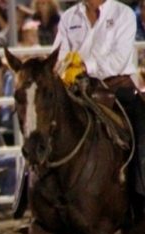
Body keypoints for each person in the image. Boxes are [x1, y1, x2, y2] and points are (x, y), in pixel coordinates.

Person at [51, 0, 145, 197]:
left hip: (116, 88)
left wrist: (85, 65)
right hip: (76, 89)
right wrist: (66, 67)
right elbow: (59, 54)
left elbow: (119, 59)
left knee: (141, 130)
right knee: (41, 126)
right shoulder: (69, 17)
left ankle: (140, 191)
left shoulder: (123, 14)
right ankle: (31, 193)